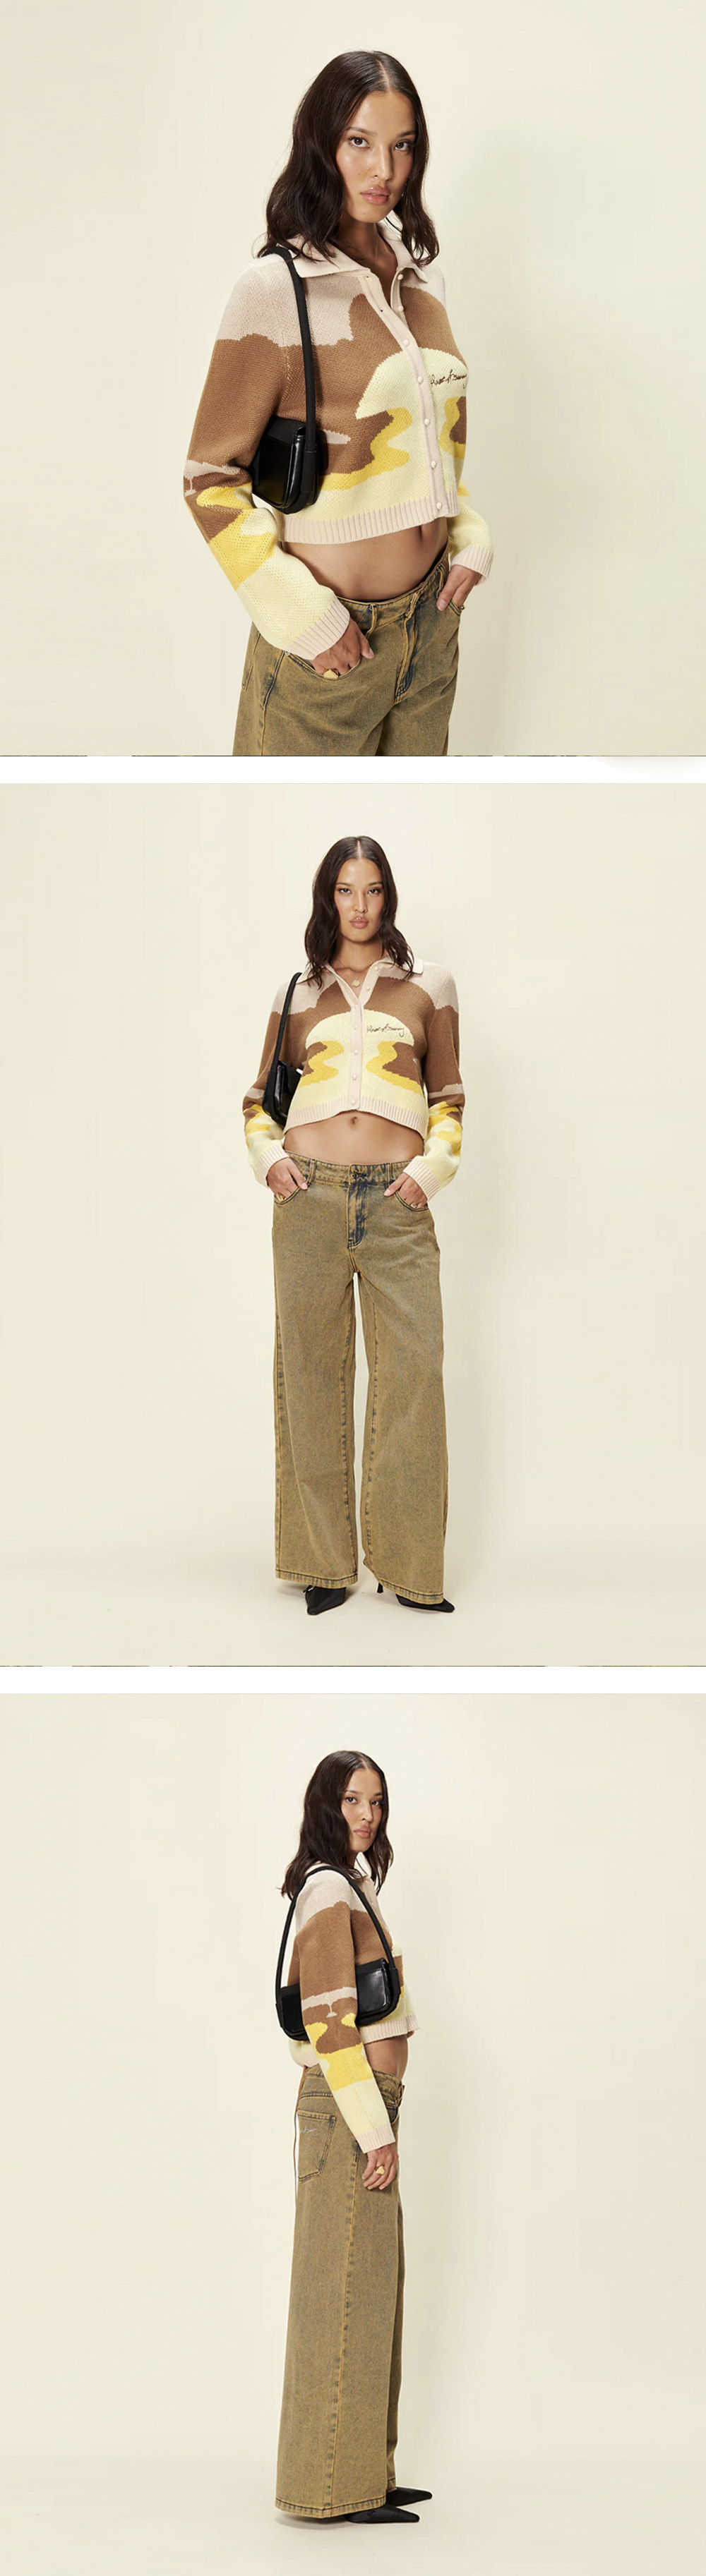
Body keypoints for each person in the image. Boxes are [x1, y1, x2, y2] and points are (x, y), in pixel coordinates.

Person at [185, 50, 492, 756]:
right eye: (359, 142)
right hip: (331, 644)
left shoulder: (422, 280)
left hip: (432, 632)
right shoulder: (275, 289)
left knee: (415, 810)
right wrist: (304, 618)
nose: (384, 169)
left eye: (402, 145)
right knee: (284, 813)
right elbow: (208, 479)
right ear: (320, 144)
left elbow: (433, 446)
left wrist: (470, 534)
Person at [243, 837, 464, 1614]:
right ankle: (321, 1566)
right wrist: (268, 1160)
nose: (360, 905)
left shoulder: (429, 985)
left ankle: (410, 1570)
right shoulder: (298, 990)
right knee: (309, 1375)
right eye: (346, 890)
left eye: (372, 890)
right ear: (328, 898)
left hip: (399, 1202)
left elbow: (449, 1097)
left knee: (414, 1377)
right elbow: (259, 1102)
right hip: (308, 1196)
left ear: (388, 896)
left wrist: (430, 1171)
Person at [276, 1750, 429, 2525]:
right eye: (351, 1801)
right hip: (350, 2107)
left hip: (363, 2105)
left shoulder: (351, 1882)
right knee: (340, 2294)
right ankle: (332, 2486)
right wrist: (374, 2132)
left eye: (377, 1801)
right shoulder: (329, 1888)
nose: (367, 1815)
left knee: (368, 2292)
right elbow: (331, 2025)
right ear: (324, 1806)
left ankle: (363, 2469)